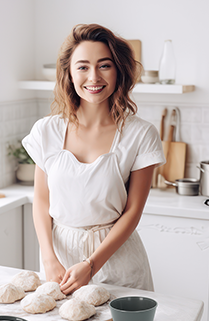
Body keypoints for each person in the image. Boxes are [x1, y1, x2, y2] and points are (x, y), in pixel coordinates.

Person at [22, 23, 165, 295]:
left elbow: (133, 212)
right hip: (59, 260)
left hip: (117, 260)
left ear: (119, 71)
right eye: (83, 67)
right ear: (70, 73)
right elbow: (41, 201)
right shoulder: (47, 130)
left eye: (104, 65)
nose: (94, 77)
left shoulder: (140, 134)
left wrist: (91, 264)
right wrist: (49, 257)